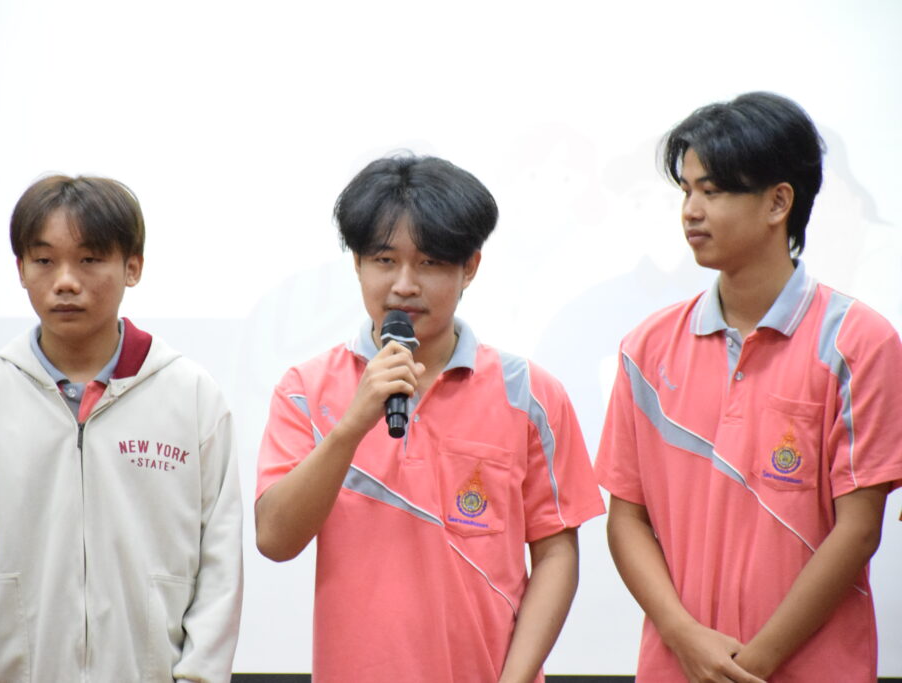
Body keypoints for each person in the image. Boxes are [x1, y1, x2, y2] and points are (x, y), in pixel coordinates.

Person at [255, 153, 604, 682]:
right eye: (384, 260)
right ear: (357, 263)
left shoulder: (530, 393)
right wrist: (351, 426)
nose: (404, 284)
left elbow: (556, 554)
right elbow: (275, 539)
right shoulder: (306, 389)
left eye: (430, 263)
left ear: (470, 267)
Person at [595, 92, 902, 682]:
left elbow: (860, 528)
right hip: (679, 666)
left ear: (778, 202)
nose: (690, 211)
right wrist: (684, 638)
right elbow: (626, 520)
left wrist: (751, 666)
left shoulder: (858, 342)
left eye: (712, 191)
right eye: (686, 191)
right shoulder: (647, 347)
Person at [0, 175, 243, 682]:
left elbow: (220, 568)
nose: (65, 281)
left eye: (89, 259)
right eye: (44, 260)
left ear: (132, 267)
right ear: (21, 269)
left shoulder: (192, 397)